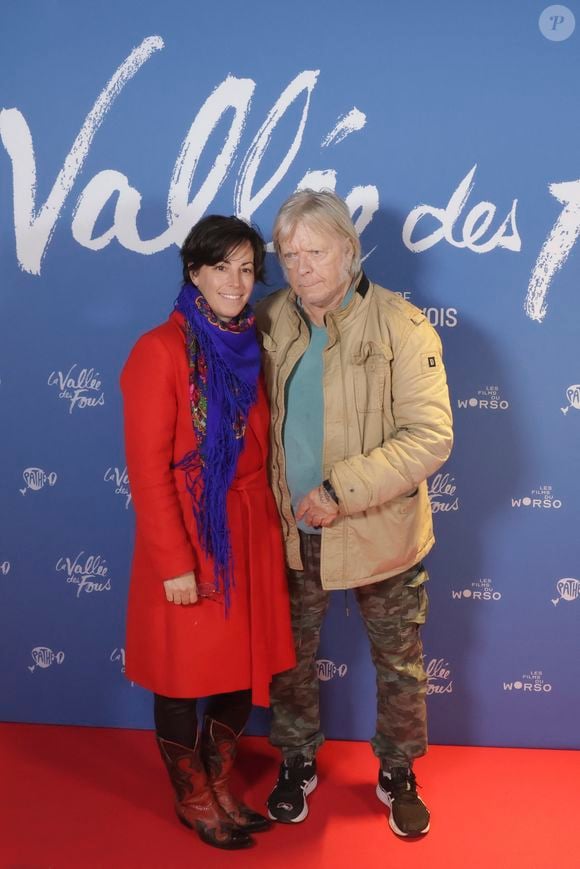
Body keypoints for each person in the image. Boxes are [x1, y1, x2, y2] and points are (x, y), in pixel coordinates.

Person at [255, 190, 453, 838]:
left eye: (315, 251)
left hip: (379, 530)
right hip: (291, 531)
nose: (302, 266)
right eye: (289, 254)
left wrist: (341, 490)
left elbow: (430, 436)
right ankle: (296, 758)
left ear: (348, 249)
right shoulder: (270, 319)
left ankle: (399, 772)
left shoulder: (402, 324)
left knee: (398, 662)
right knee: (289, 658)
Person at [121, 215, 295, 851]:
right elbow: (147, 469)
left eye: (248, 269)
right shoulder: (158, 350)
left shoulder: (253, 342)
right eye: (222, 266)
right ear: (193, 271)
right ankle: (193, 797)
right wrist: (174, 561)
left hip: (250, 529)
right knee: (183, 674)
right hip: (193, 535)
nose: (236, 281)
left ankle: (220, 783)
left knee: (236, 668)